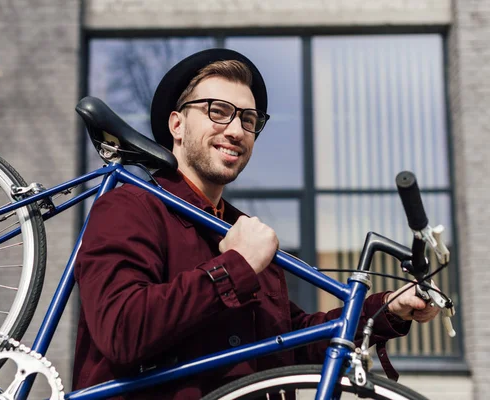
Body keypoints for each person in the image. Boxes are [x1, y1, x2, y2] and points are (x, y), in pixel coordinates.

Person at [72, 48, 439, 399]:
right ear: (177, 124)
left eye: (248, 119)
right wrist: (234, 267)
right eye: (218, 111)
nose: (236, 130)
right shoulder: (130, 206)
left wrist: (386, 309)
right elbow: (121, 329)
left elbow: (289, 345)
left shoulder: (245, 232)